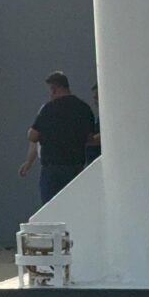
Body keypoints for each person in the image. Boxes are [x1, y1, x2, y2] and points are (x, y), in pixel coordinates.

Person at [18, 71, 96, 204]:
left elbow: (33, 136)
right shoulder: (84, 108)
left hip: (53, 168)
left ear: (54, 89)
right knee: (73, 205)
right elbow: (89, 138)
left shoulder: (48, 109)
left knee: (50, 209)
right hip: (76, 166)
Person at [85, 83, 101, 164]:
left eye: (97, 95)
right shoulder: (101, 117)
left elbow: (102, 137)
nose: (95, 98)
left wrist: (83, 141)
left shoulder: (108, 117)